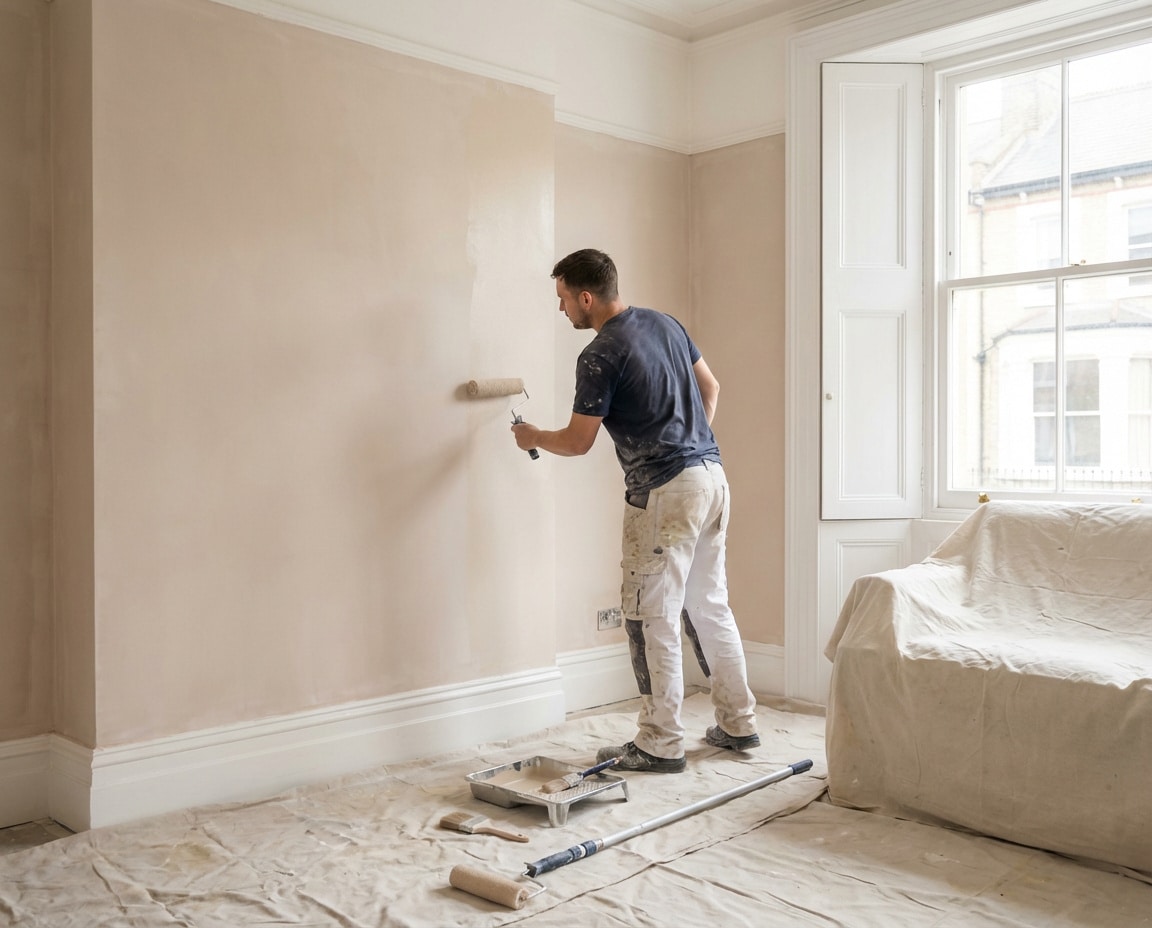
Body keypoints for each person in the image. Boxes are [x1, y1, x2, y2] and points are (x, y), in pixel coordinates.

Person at [512, 248, 759, 773]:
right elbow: (710, 386)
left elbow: (579, 443)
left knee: (652, 617)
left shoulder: (600, 354)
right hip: (712, 479)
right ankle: (739, 724)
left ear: (585, 297)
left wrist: (533, 436)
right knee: (709, 605)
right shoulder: (665, 324)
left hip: (665, 491)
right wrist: (691, 443)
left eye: (562, 300)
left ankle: (659, 743)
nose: (562, 312)